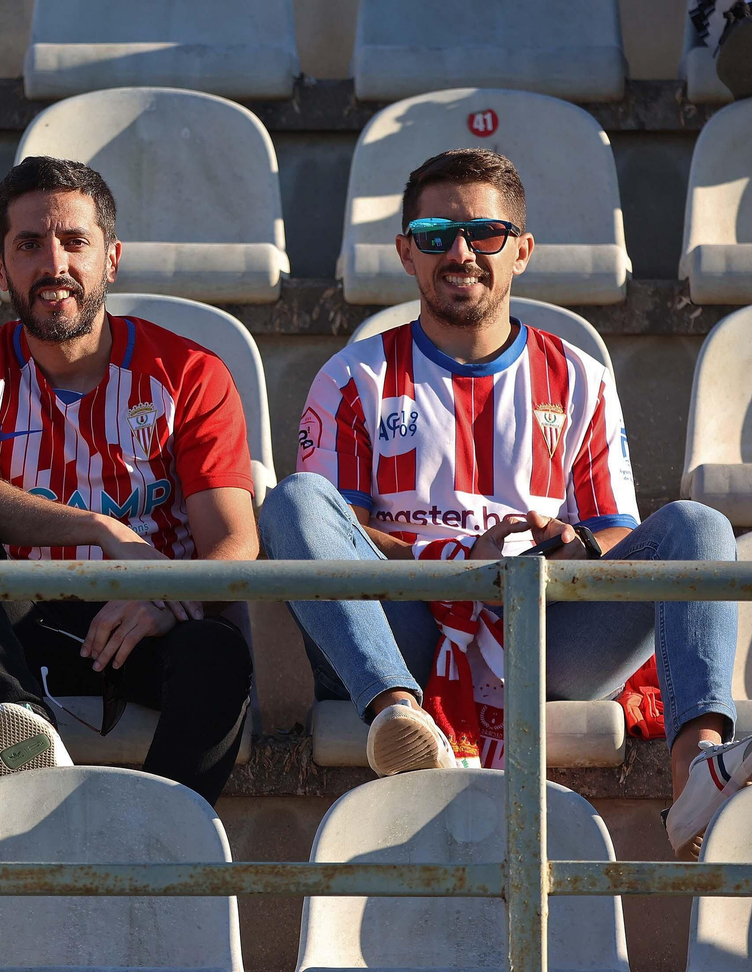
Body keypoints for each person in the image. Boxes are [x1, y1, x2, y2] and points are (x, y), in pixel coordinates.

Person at [258, 148, 740, 859]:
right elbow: (333, 531)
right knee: (292, 499)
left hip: (546, 632)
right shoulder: (354, 374)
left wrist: (573, 546)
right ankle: (395, 717)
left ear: (521, 250)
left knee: (700, 526)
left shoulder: (579, 376)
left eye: (485, 234)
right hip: (408, 627)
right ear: (405, 253)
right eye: (434, 235)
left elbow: (614, 532)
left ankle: (697, 766)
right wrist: (453, 561)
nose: (460, 252)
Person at [0, 156, 258, 804]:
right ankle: (23, 728)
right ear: (0, 267)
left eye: (74, 242)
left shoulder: (189, 371)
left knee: (220, 656)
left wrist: (162, 598)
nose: (54, 264)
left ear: (111, 259)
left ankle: (157, 847)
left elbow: (234, 540)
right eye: (29, 244)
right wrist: (99, 528)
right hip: (15, 621)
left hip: (144, 624)